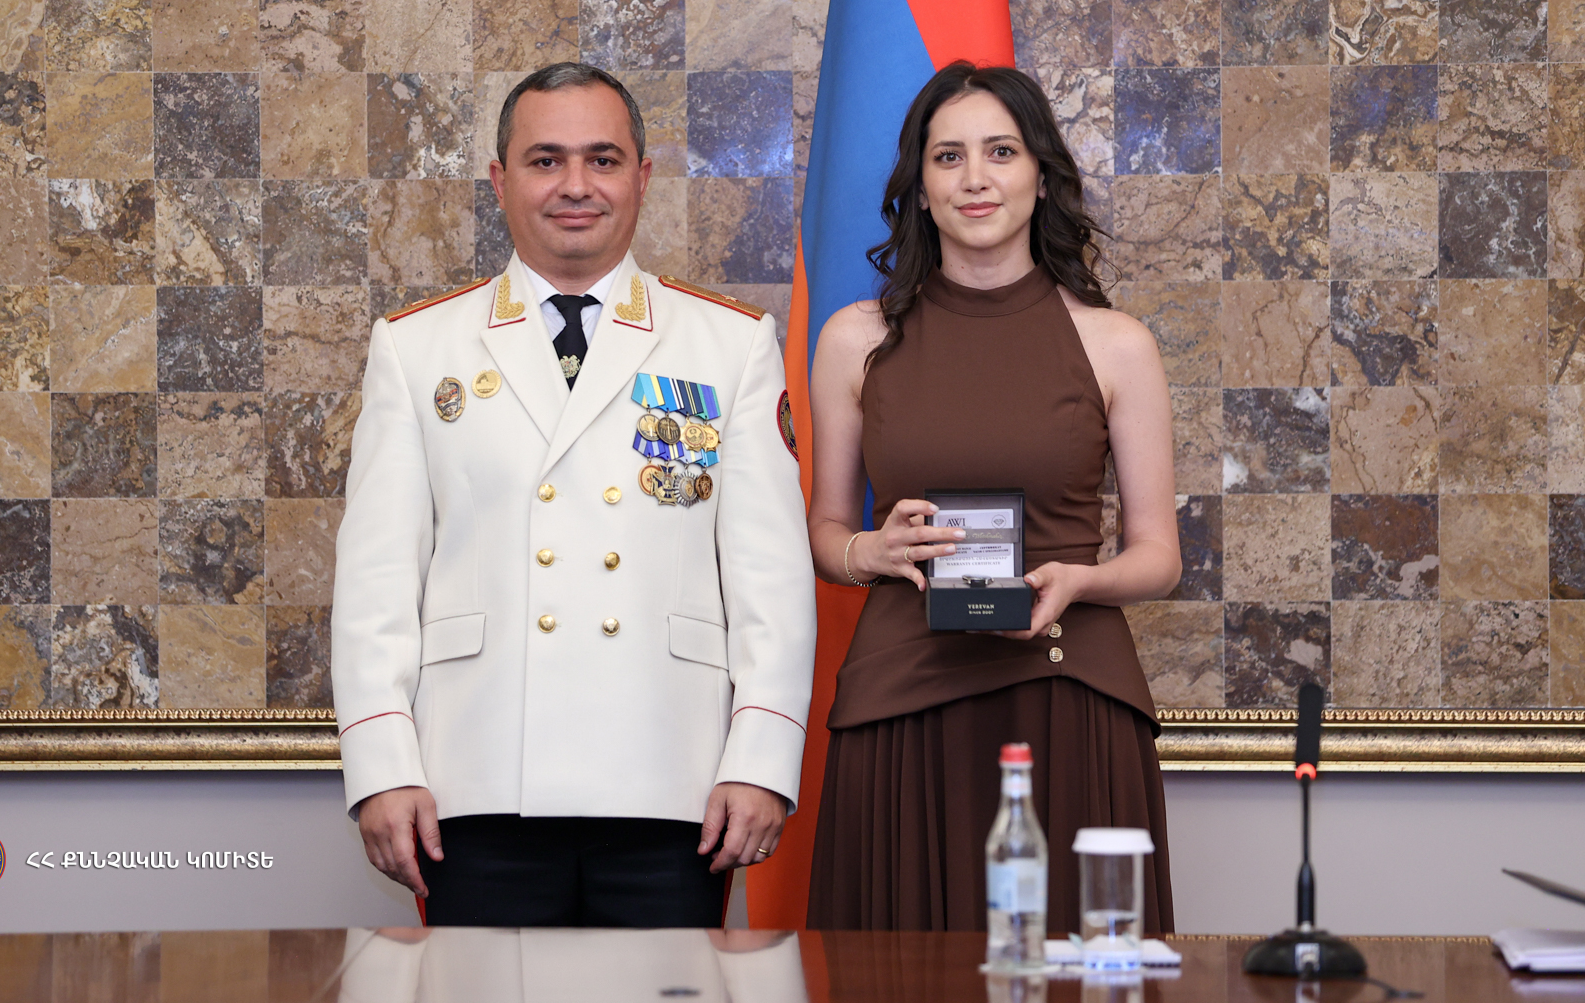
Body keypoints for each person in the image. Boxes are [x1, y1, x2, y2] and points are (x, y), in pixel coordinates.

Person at [331, 62, 816, 928]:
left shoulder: (729, 345)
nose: (576, 186)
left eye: (603, 159)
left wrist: (761, 759)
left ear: (642, 177)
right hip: (474, 779)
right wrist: (382, 767)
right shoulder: (418, 347)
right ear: (500, 180)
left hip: (674, 781)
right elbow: (376, 584)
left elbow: (770, 582)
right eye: (546, 160)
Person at [803, 62, 1180, 932]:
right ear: (920, 187)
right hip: (901, 701)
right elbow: (825, 530)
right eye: (949, 157)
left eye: (1001, 152)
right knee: (893, 979)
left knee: (1076, 975)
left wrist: (1079, 582)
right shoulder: (855, 340)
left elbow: (1159, 556)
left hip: (1068, 693)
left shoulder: (1117, 344)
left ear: (1041, 177)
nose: (975, 177)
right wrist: (870, 551)